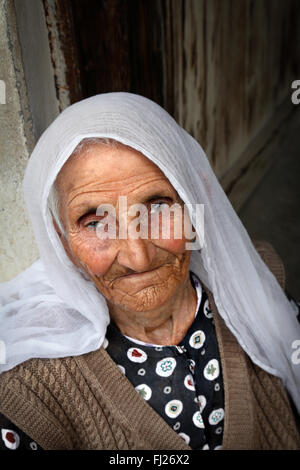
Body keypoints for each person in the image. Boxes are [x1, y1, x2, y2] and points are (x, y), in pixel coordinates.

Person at [0, 93, 299, 450]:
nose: (138, 257)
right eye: (96, 222)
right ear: (62, 240)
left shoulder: (261, 282)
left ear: (196, 202)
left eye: (157, 206)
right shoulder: (31, 393)